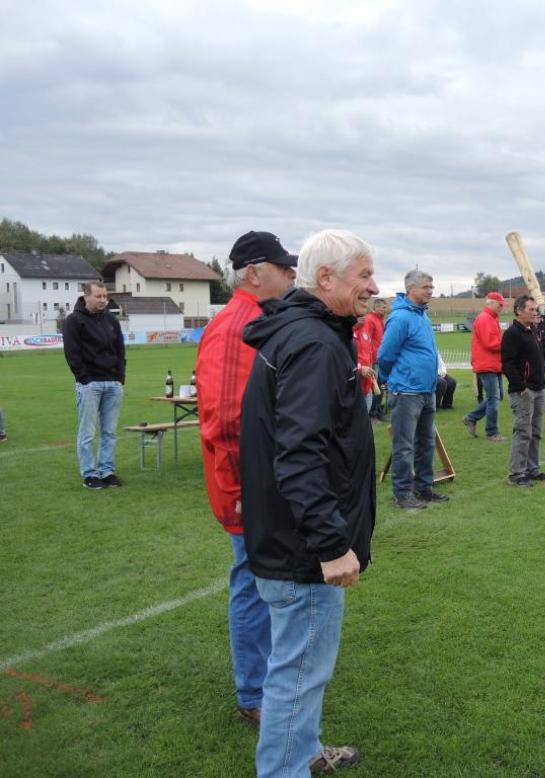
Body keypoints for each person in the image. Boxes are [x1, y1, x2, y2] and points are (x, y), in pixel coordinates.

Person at [239, 228, 378, 776]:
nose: (373, 285)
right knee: (297, 674)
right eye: (363, 274)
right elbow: (298, 455)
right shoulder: (315, 343)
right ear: (326, 278)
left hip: (291, 539)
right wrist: (331, 544)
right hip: (303, 551)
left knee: (300, 671)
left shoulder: (311, 334)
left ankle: (304, 752)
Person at [195, 230, 297, 728]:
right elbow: (226, 423)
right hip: (248, 491)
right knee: (255, 586)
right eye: (284, 267)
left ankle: (264, 682)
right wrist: (240, 496)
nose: (291, 274)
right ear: (254, 272)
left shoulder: (262, 318)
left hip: (267, 484)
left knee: (268, 584)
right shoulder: (238, 325)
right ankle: (254, 693)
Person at [377, 270, 449, 509]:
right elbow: (385, 355)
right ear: (410, 289)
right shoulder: (400, 318)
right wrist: (389, 378)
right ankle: (402, 494)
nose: (430, 291)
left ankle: (424, 487)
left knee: (426, 442)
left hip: (426, 390)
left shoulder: (422, 316)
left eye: (432, 287)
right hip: (407, 391)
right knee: (405, 446)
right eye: (426, 287)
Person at [62, 281, 126, 489]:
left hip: (112, 384)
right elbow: (72, 354)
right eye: (98, 297)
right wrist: (85, 380)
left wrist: (119, 378)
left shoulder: (111, 320)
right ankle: (90, 473)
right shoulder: (73, 321)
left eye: (105, 296)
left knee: (109, 432)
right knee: (87, 432)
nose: (103, 300)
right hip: (90, 385)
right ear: (86, 296)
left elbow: (120, 350)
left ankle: (107, 471)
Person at [501, 295, 545, 486]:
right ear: (519, 310)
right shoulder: (512, 333)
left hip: (539, 388)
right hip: (524, 391)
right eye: (531, 309)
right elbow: (507, 363)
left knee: (536, 431)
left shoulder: (534, 331)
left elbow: (544, 354)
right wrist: (520, 386)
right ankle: (516, 474)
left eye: (535, 309)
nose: (534, 312)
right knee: (523, 432)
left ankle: (532, 469)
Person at [462, 292, 506, 442]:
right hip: (487, 364)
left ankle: (471, 418)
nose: (502, 307)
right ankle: (492, 432)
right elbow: (491, 343)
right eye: (500, 304)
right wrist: (507, 344)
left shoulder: (491, 318)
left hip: (493, 363)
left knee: (498, 396)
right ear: (491, 303)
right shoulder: (485, 319)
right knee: (494, 398)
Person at [363, 298, 389, 420]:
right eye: (383, 307)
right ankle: (373, 414)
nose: (385, 310)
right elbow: (367, 340)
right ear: (377, 307)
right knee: (374, 387)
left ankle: (378, 411)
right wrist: (370, 359)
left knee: (381, 386)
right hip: (373, 360)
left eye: (385, 307)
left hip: (380, 359)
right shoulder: (369, 319)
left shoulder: (380, 320)